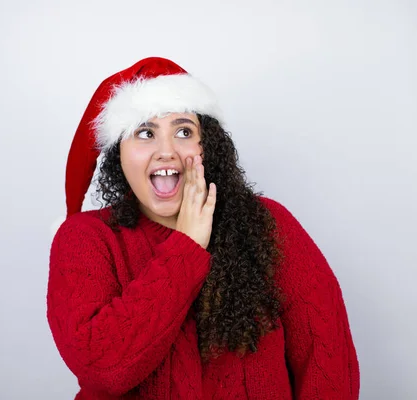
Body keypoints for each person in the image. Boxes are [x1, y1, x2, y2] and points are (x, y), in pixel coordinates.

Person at [47, 57, 360, 399]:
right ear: (118, 155)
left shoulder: (268, 223)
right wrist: (187, 246)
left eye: (184, 131)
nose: (166, 151)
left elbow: (326, 357)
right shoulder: (84, 238)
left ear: (207, 146)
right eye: (145, 133)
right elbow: (102, 370)